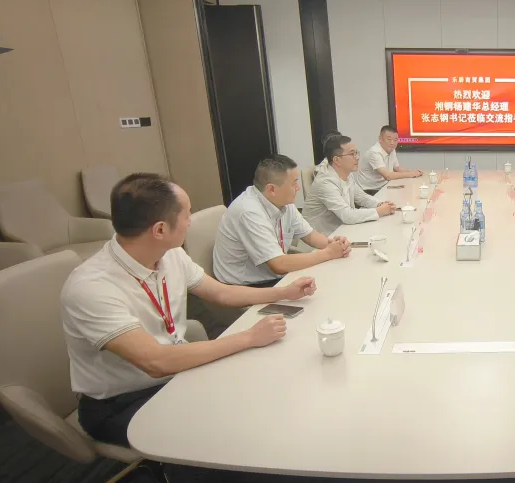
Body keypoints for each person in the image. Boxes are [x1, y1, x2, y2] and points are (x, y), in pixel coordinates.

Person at [62, 173, 317, 448]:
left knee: (261, 392)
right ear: (160, 230)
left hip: (177, 374)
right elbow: (156, 362)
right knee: (231, 433)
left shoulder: (169, 254)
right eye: (187, 214)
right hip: (123, 402)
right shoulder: (92, 287)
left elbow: (221, 292)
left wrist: (283, 292)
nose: (190, 222)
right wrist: (249, 337)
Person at [213, 155, 351, 287]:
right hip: (246, 286)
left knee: (335, 279)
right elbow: (279, 264)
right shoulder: (249, 212)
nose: (298, 188)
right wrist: (328, 253)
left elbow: (309, 235)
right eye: (294, 183)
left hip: (271, 275)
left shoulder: (283, 202)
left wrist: (334, 245)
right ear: (272, 189)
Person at [305, 135, 397, 234]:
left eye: (356, 153)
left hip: (341, 231)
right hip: (322, 238)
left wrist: (381, 204)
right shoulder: (325, 182)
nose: (357, 157)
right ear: (337, 160)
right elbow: (347, 215)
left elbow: (361, 197)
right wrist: (379, 211)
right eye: (352, 154)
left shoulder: (347, 174)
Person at [355, 125, 422, 195]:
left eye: (395, 140)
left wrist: (414, 172)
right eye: (389, 139)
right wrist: (412, 174)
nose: (392, 143)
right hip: (369, 190)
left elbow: (397, 168)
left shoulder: (391, 149)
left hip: (383, 186)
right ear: (380, 139)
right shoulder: (374, 152)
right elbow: (388, 176)